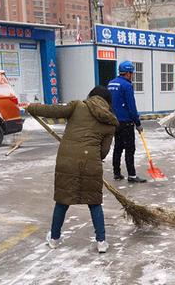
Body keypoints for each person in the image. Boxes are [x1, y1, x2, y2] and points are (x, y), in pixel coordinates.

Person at [26, 87, 118, 253]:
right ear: (108, 102)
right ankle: (101, 241)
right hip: (91, 163)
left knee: (62, 201)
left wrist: (32, 107)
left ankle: (54, 238)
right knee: (94, 203)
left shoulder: (78, 106)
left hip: (67, 162)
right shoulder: (110, 121)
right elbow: (104, 151)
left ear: (91, 96)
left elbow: (53, 110)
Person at [107, 60, 146, 183]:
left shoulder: (111, 83)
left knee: (118, 148)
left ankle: (117, 173)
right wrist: (138, 123)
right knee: (130, 149)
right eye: (132, 73)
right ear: (128, 73)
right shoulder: (127, 85)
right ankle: (132, 175)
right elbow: (131, 106)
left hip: (114, 122)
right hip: (126, 123)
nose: (132, 75)